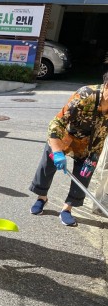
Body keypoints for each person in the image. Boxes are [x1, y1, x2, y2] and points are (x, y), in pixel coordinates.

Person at [29, 72, 108, 226]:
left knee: (83, 175)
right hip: (66, 135)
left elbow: (102, 135)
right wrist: (57, 152)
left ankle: (67, 208)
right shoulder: (86, 94)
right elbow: (57, 123)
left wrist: (93, 158)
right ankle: (41, 197)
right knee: (47, 165)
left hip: (90, 145)